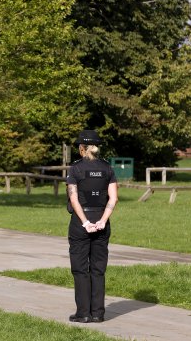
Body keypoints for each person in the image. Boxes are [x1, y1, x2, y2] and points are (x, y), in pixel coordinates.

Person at [66, 129, 118, 323]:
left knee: (80, 269)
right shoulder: (107, 168)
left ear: (82, 148)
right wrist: (103, 220)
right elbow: (113, 198)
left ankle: (83, 314)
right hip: (102, 222)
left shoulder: (76, 169)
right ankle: (98, 313)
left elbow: (74, 198)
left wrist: (86, 222)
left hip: (81, 224)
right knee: (98, 269)